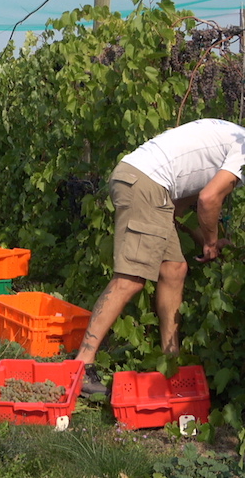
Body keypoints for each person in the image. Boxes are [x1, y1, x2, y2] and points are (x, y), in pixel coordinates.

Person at [77, 118, 245, 396]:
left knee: (175, 270)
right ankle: (82, 365)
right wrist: (212, 242)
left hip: (149, 184)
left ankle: (171, 360)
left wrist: (202, 238)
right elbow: (208, 199)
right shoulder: (242, 149)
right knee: (131, 278)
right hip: (146, 183)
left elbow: (178, 207)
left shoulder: (232, 136)